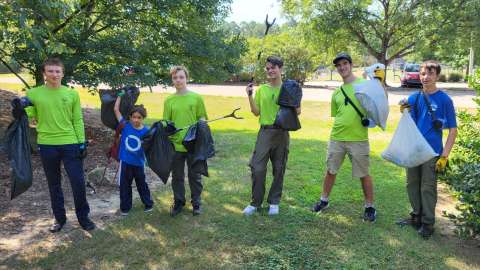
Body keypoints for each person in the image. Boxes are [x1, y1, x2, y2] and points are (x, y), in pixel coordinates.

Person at [21, 57, 95, 232]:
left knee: (77, 182)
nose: (54, 74)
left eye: (57, 71)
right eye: (50, 71)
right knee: (54, 184)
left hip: (70, 144)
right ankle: (59, 219)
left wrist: (81, 142)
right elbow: (32, 118)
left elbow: (77, 119)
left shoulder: (71, 94)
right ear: (44, 73)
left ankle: (83, 218)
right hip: (47, 145)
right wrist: (24, 107)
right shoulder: (33, 94)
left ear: (62, 73)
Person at [311, 53, 377, 222]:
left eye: (345, 63)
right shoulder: (337, 93)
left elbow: (377, 106)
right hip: (337, 138)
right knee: (331, 170)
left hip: (359, 139)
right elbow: (338, 115)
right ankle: (323, 200)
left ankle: (369, 207)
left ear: (351, 65)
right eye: (339, 65)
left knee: (364, 174)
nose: (342, 67)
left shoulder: (364, 85)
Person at [397, 60, 457, 238]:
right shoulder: (414, 98)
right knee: (412, 184)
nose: (425, 77)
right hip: (414, 150)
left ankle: (428, 223)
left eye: (430, 74)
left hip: (432, 152)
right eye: (423, 74)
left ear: (437, 76)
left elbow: (453, 130)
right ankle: (416, 216)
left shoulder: (445, 100)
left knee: (427, 188)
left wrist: (444, 156)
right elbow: (409, 123)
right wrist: (404, 111)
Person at [243, 56, 301, 216]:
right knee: (257, 167)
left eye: (273, 67)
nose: (270, 70)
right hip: (265, 132)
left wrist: (294, 100)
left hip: (282, 133)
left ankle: (274, 202)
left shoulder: (289, 88)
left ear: (281, 69)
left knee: (279, 167)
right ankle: (255, 202)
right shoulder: (262, 89)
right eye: (268, 68)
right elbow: (256, 112)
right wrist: (249, 95)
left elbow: (298, 112)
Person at [163, 66, 208, 217]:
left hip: (192, 144)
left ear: (186, 78)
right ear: (172, 80)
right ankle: (179, 202)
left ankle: (196, 203)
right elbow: (166, 121)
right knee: (177, 176)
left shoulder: (196, 98)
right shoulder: (169, 100)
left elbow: (202, 117)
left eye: (181, 77)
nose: (178, 80)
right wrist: (166, 127)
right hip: (175, 144)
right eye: (175, 78)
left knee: (195, 175)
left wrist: (201, 124)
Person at [114, 94, 153, 216]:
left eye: (139, 117)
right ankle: (125, 208)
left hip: (139, 163)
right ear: (130, 117)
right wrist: (119, 97)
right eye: (134, 117)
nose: (136, 120)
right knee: (125, 186)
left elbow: (151, 145)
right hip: (125, 162)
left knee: (142, 184)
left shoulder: (146, 131)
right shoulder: (125, 126)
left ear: (143, 118)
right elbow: (116, 110)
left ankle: (148, 204)